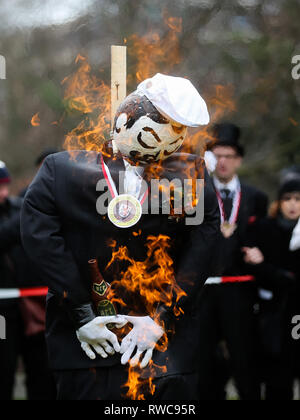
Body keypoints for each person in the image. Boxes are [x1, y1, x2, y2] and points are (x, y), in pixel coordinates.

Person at [21, 73, 220, 401]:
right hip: (87, 347)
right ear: (125, 119)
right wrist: (81, 313)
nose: (167, 143)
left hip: (163, 350)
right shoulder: (63, 170)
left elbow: (203, 247)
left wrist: (162, 318)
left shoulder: (190, 174)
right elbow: (40, 239)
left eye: (176, 133)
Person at [197, 123, 269, 400]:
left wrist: (260, 255)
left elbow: (265, 237)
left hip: (240, 290)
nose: (223, 162)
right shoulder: (196, 194)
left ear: (238, 159)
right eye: (217, 155)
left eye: (229, 155)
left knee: (244, 357)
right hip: (203, 291)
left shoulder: (256, 198)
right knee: (204, 360)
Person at [0, 161, 56, 401]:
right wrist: (28, 213)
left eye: (5, 186)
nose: (3, 192)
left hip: (32, 305)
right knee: (3, 367)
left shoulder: (16, 207)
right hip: (2, 314)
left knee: (41, 371)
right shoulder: (21, 212)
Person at [243, 178, 300, 400]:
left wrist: (274, 272)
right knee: (273, 373)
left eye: (297, 199)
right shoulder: (265, 228)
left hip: (295, 312)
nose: (293, 204)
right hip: (270, 312)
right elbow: (252, 263)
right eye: (287, 199)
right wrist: (279, 275)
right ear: (279, 202)